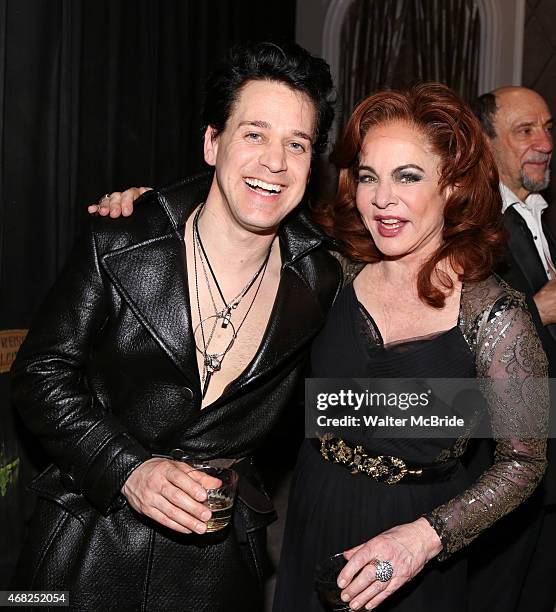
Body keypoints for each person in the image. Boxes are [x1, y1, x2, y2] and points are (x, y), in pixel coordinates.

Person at [11, 41, 341, 611]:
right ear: (213, 142)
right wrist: (127, 469)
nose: (275, 162)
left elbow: (379, 389)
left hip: (214, 566)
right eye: (255, 134)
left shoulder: (321, 280)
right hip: (82, 543)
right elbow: (39, 373)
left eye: (297, 144)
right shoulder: (121, 237)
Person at [271, 83, 549, 612]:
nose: (382, 199)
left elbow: (525, 462)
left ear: (452, 186)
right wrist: (160, 208)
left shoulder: (499, 313)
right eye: (369, 177)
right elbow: (242, 230)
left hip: (421, 535)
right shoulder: (335, 270)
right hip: (316, 503)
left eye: (408, 176)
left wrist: (422, 540)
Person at [471, 86, 556, 612]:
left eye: (549, 128)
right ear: (485, 142)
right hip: (500, 465)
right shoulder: (466, 225)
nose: (544, 142)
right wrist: (537, 309)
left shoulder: (549, 213)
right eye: (525, 130)